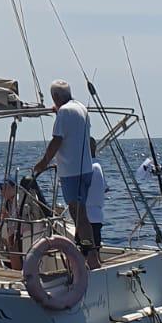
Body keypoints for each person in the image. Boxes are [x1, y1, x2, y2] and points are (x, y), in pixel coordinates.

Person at [32, 80, 94, 257]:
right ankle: (86, 253)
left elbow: (57, 140)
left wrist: (43, 163)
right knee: (81, 215)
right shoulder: (80, 107)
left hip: (72, 172)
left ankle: (91, 256)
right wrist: (59, 111)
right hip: (86, 169)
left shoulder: (64, 112)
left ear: (55, 96)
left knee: (78, 216)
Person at [86, 137, 106, 267]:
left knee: (85, 252)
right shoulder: (98, 166)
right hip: (98, 216)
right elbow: (105, 188)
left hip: (86, 217)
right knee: (96, 249)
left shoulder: (86, 168)